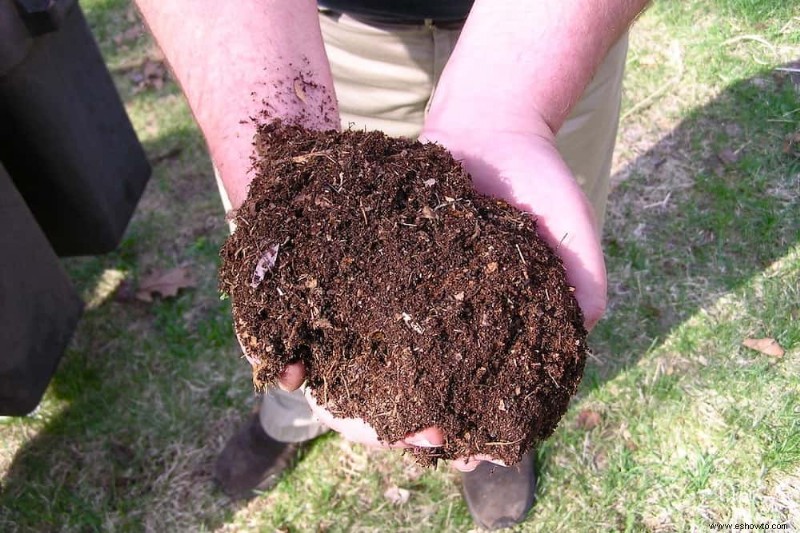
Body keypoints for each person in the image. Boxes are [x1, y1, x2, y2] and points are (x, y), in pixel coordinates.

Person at [134, 1, 649, 529]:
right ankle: (289, 416)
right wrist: (284, 175)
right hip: (303, 41)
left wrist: (513, 110)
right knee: (286, 296)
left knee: (540, 251)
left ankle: (497, 436)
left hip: (553, 34)